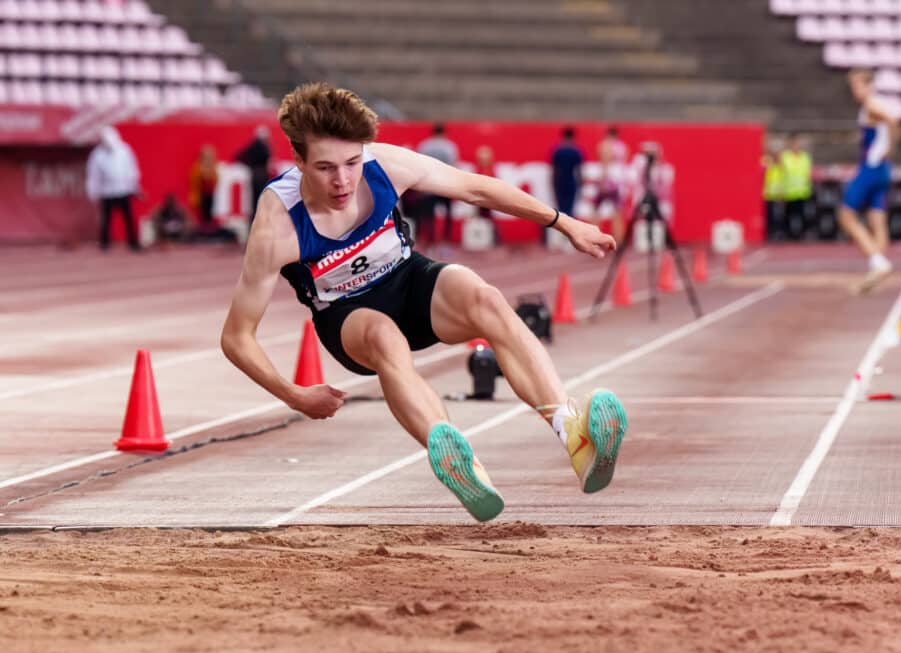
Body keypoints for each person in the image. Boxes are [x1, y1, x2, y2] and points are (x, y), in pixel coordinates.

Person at [220, 84, 628, 523]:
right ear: (298, 161)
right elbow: (236, 337)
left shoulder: (385, 166)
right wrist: (295, 395)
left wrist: (565, 224)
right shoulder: (276, 228)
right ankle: (458, 460)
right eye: (324, 168)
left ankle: (573, 434)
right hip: (347, 315)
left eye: (352, 163)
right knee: (383, 336)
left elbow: (477, 189)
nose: (342, 181)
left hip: (408, 280)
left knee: (485, 298)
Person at [840, 69, 900, 293]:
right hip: (882, 168)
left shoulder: (872, 105)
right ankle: (877, 270)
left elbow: (893, 122)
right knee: (878, 219)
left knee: (846, 215)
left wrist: (890, 149)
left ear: (868, 85)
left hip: (872, 167)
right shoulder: (874, 106)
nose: (854, 91)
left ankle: (878, 261)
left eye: (857, 86)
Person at [85, 126, 142, 251]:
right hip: (107, 192)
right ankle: (105, 243)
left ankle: (133, 242)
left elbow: (131, 169)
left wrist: (134, 185)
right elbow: (93, 175)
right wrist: (93, 192)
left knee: (129, 218)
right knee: (106, 219)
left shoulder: (124, 150)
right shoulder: (97, 155)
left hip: (123, 190)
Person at [415, 122, 460, 246]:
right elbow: (454, 166)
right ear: (444, 133)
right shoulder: (450, 146)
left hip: (429, 185)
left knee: (429, 215)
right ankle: (446, 239)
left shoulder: (425, 146)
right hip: (446, 185)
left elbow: (419, 166)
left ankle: (430, 239)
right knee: (448, 214)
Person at [550, 126, 584, 246]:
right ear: (573, 137)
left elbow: (554, 170)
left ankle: (558, 240)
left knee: (559, 211)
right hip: (571, 183)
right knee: (570, 211)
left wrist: (553, 184)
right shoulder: (576, 151)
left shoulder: (557, 151)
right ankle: (570, 241)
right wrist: (581, 184)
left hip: (559, 183)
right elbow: (579, 171)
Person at [235, 126, 272, 222]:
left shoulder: (252, 146)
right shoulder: (263, 147)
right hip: (261, 176)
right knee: (260, 199)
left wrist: (250, 165)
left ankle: (254, 220)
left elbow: (239, 156)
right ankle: (260, 219)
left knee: (254, 201)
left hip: (254, 175)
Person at [780, 134, 813, 240]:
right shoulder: (785, 157)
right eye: (794, 144)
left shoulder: (805, 157)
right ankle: (788, 234)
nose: (796, 147)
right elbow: (781, 174)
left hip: (802, 191)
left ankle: (802, 234)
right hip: (789, 191)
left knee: (802, 214)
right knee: (788, 215)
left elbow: (808, 173)